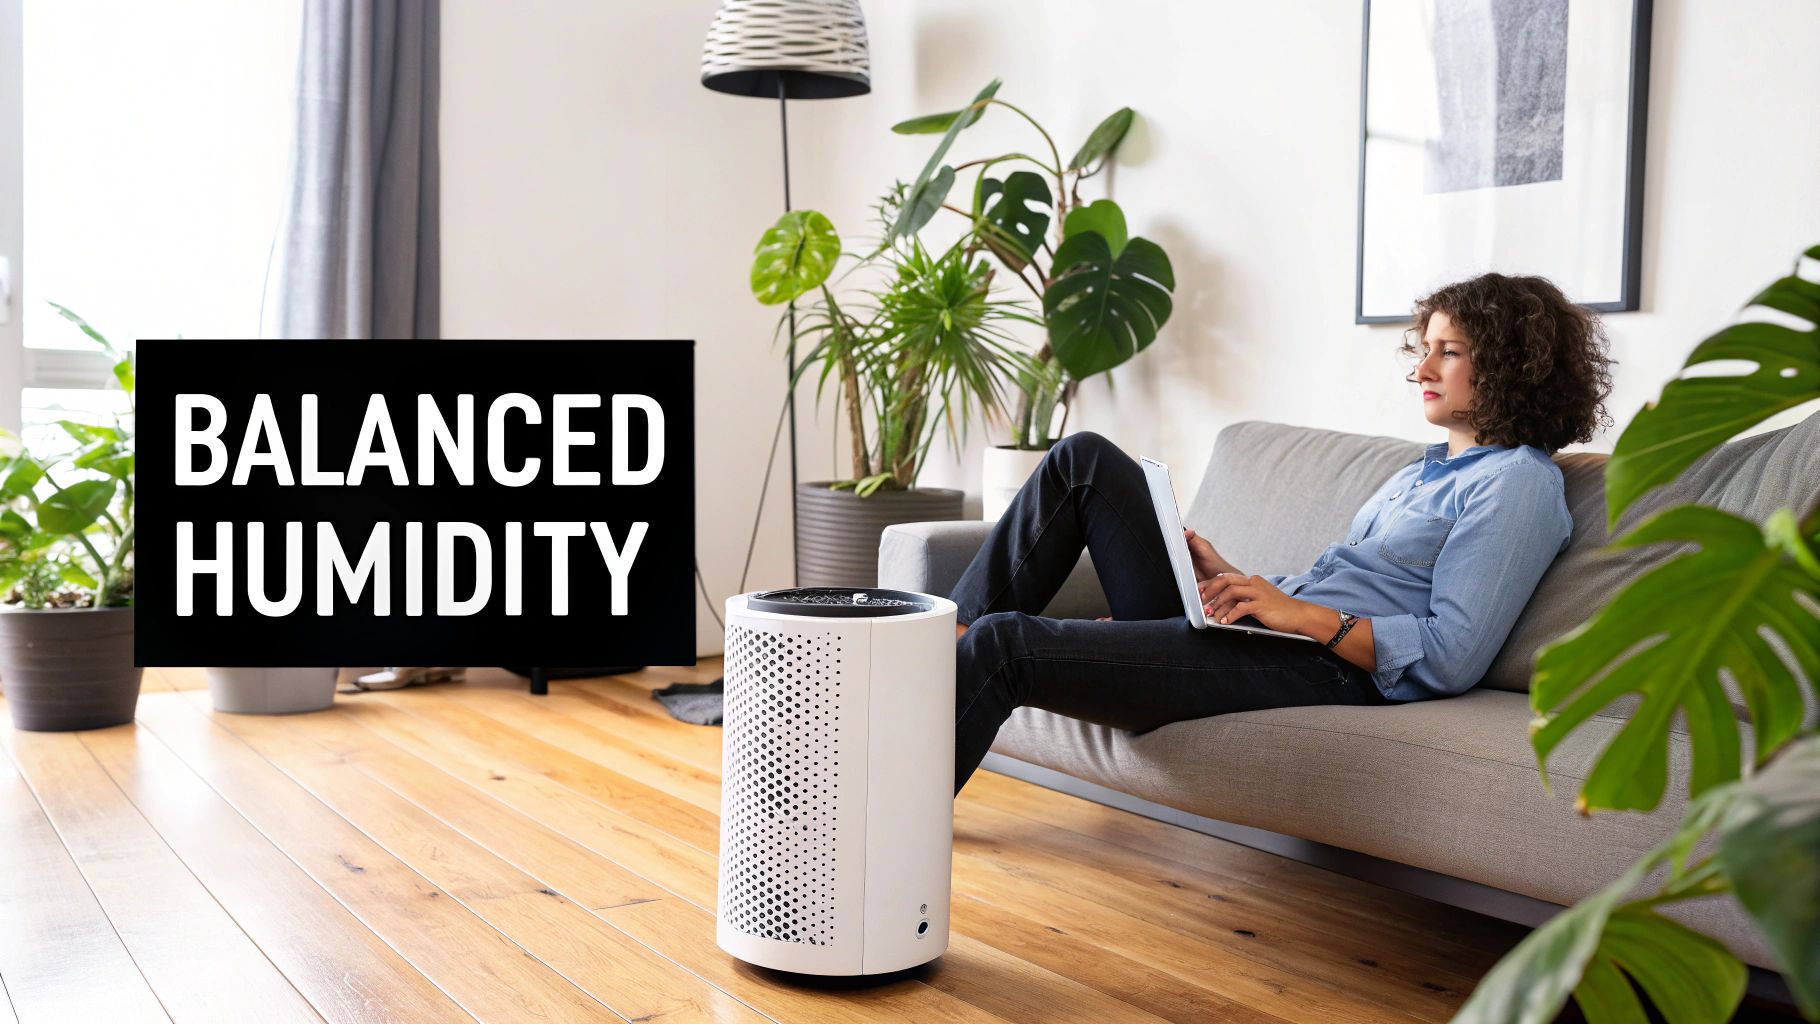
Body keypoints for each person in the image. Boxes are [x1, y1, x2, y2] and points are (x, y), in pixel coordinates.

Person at [949, 272, 1615, 796]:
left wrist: (1298, 615)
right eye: (1425, 350)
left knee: (1005, 644)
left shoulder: (1517, 484)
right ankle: (938, 643)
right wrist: (1223, 578)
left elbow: (1450, 656)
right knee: (1083, 461)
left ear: (1508, 365)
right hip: (1274, 640)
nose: (1422, 370)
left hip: (1328, 670)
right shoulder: (1423, 471)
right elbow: (1342, 585)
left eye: (1450, 353)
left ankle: (877, 837)